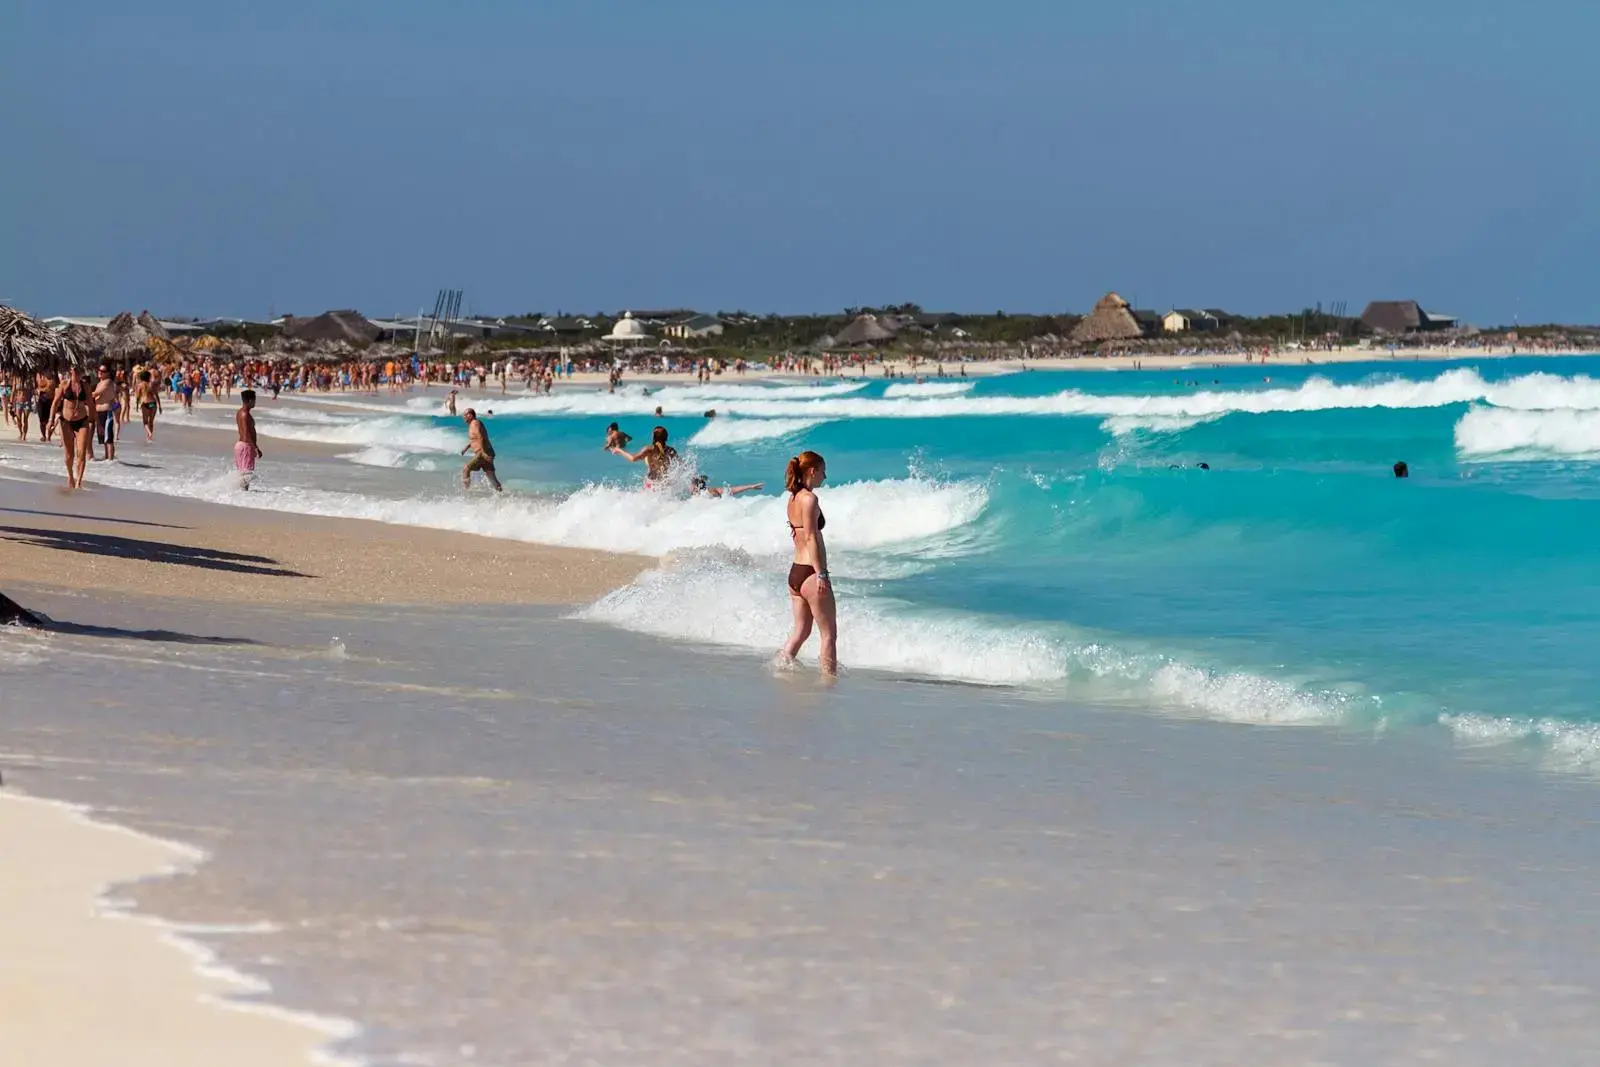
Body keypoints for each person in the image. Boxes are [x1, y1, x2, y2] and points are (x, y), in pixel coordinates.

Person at [778, 450, 837, 676]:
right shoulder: (810, 499)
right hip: (811, 573)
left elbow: (797, 534)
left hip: (795, 573)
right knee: (828, 634)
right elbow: (811, 536)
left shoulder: (792, 498)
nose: (825, 476)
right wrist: (821, 573)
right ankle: (829, 683)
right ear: (812, 471)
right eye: (823, 471)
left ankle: (780, 668)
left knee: (801, 631)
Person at [49, 365, 94, 490]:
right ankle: (70, 476)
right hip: (66, 422)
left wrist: (95, 421)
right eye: (73, 371)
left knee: (81, 453)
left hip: (82, 421)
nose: (76, 373)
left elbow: (90, 403)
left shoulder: (85, 386)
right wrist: (50, 420)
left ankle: (79, 481)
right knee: (69, 455)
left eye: (78, 371)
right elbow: (55, 403)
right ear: (70, 372)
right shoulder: (64, 384)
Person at [613, 425, 677, 488]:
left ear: (653, 437)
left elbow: (633, 458)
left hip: (652, 483)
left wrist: (620, 451)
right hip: (665, 484)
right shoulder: (671, 451)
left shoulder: (649, 450)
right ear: (666, 438)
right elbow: (681, 465)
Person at [460, 408, 503, 491]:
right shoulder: (475, 423)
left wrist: (483, 452)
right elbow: (475, 439)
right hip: (487, 451)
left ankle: (466, 493)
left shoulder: (474, 423)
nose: (463, 417)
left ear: (470, 415)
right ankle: (500, 493)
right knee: (491, 476)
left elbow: (481, 437)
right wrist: (466, 447)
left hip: (482, 452)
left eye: (465, 415)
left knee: (466, 469)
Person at [235, 389, 262, 489]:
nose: (255, 402)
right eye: (254, 400)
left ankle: (241, 494)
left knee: (243, 474)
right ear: (250, 401)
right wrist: (255, 448)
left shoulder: (240, 412)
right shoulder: (245, 414)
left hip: (241, 445)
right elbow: (246, 434)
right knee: (246, 475)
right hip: (246, 445)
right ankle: (244, 494)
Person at [92, 363, 118, 461]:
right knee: (103, 435)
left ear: (107, 373)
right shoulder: (100, 382)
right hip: (99, 412)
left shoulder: (107, 382)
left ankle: (110, 458)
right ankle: (107, 456)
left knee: (108, 436)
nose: (100, 372)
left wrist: (84, 394)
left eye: (102, 371)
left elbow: (96, 394)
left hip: (107, 412)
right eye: (99, 370)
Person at [135, 370, 162, 442]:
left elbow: (138, 397)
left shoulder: (140, 385)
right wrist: (160, 406)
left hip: (145, 404)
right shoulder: (152, 384)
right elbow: (157, 395)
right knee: (151, 421)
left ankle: (149, 433)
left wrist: (137, 406)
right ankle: (149, 438)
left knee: (145, 422)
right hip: (153, 403)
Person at [691, 474, 764, 498]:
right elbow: (732, 490)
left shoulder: (702, 496)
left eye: (692, 485)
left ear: (695, 487)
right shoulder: (713, 491)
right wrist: (750, 486)